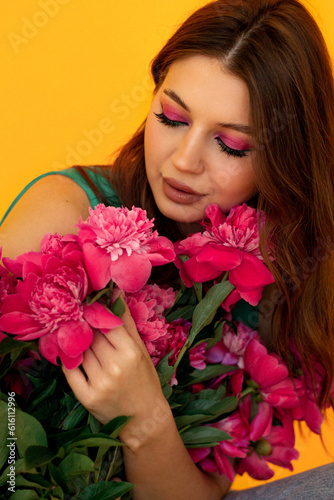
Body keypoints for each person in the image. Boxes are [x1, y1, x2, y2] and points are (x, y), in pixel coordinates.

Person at [1, 0, 334, 498]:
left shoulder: (271, 283)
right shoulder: (67, 210)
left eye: (232, 146)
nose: (183, 161)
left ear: (286, 158)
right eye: (172, 117)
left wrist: (144, 416)